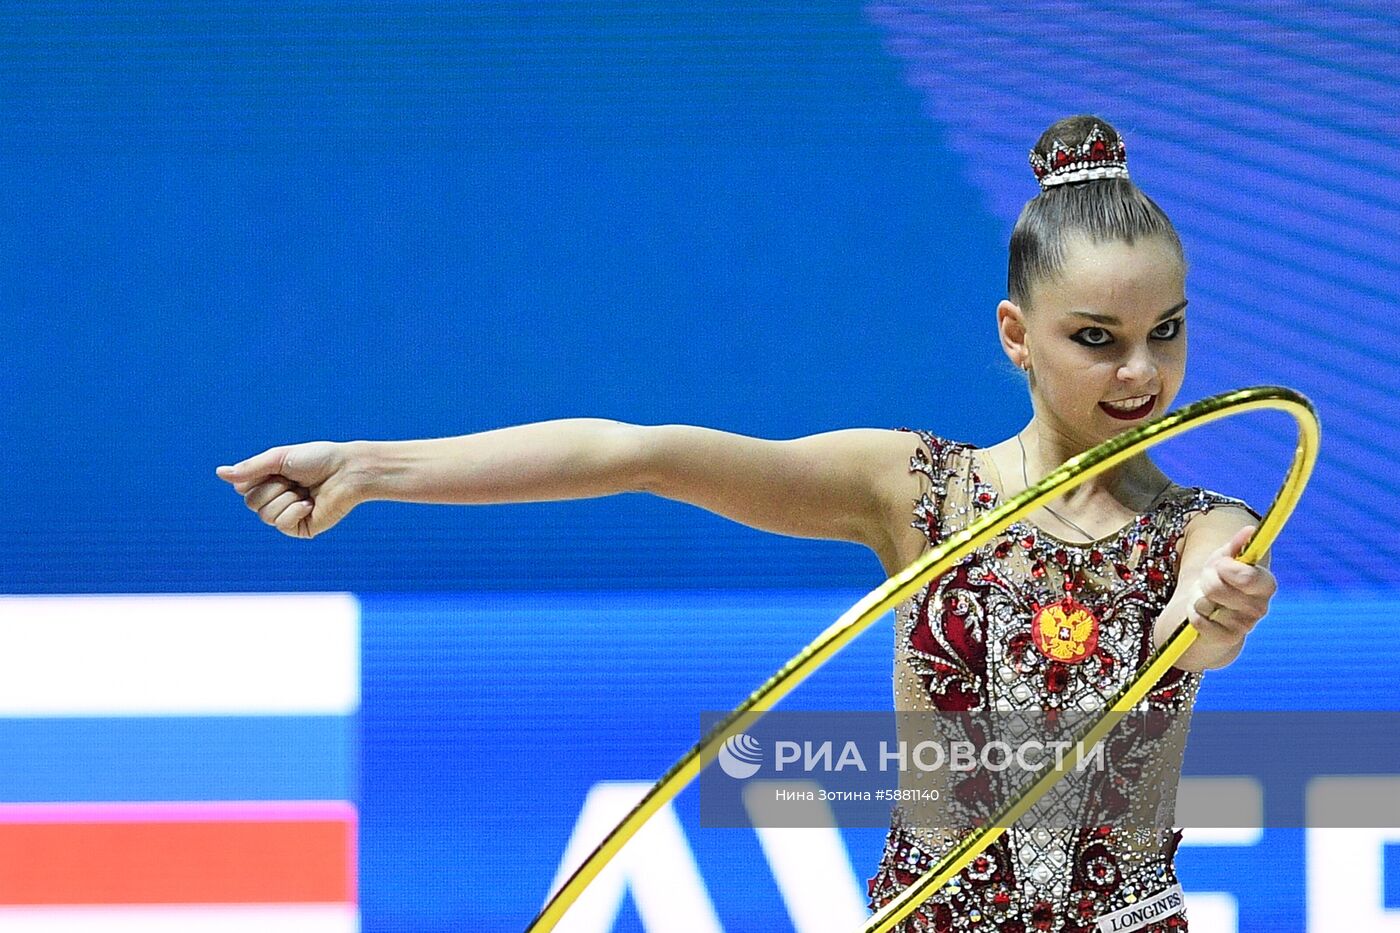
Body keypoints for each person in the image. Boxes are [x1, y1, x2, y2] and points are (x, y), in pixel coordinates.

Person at [215, 114, 1277, 932]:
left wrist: (1213, 608)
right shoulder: (913, 488)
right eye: (1096, 337)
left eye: (1164, 332)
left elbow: (1206, 613)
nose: (1140, 373)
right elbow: (638, 453)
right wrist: (373, 466)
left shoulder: (1202, 523)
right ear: (1015, 333)